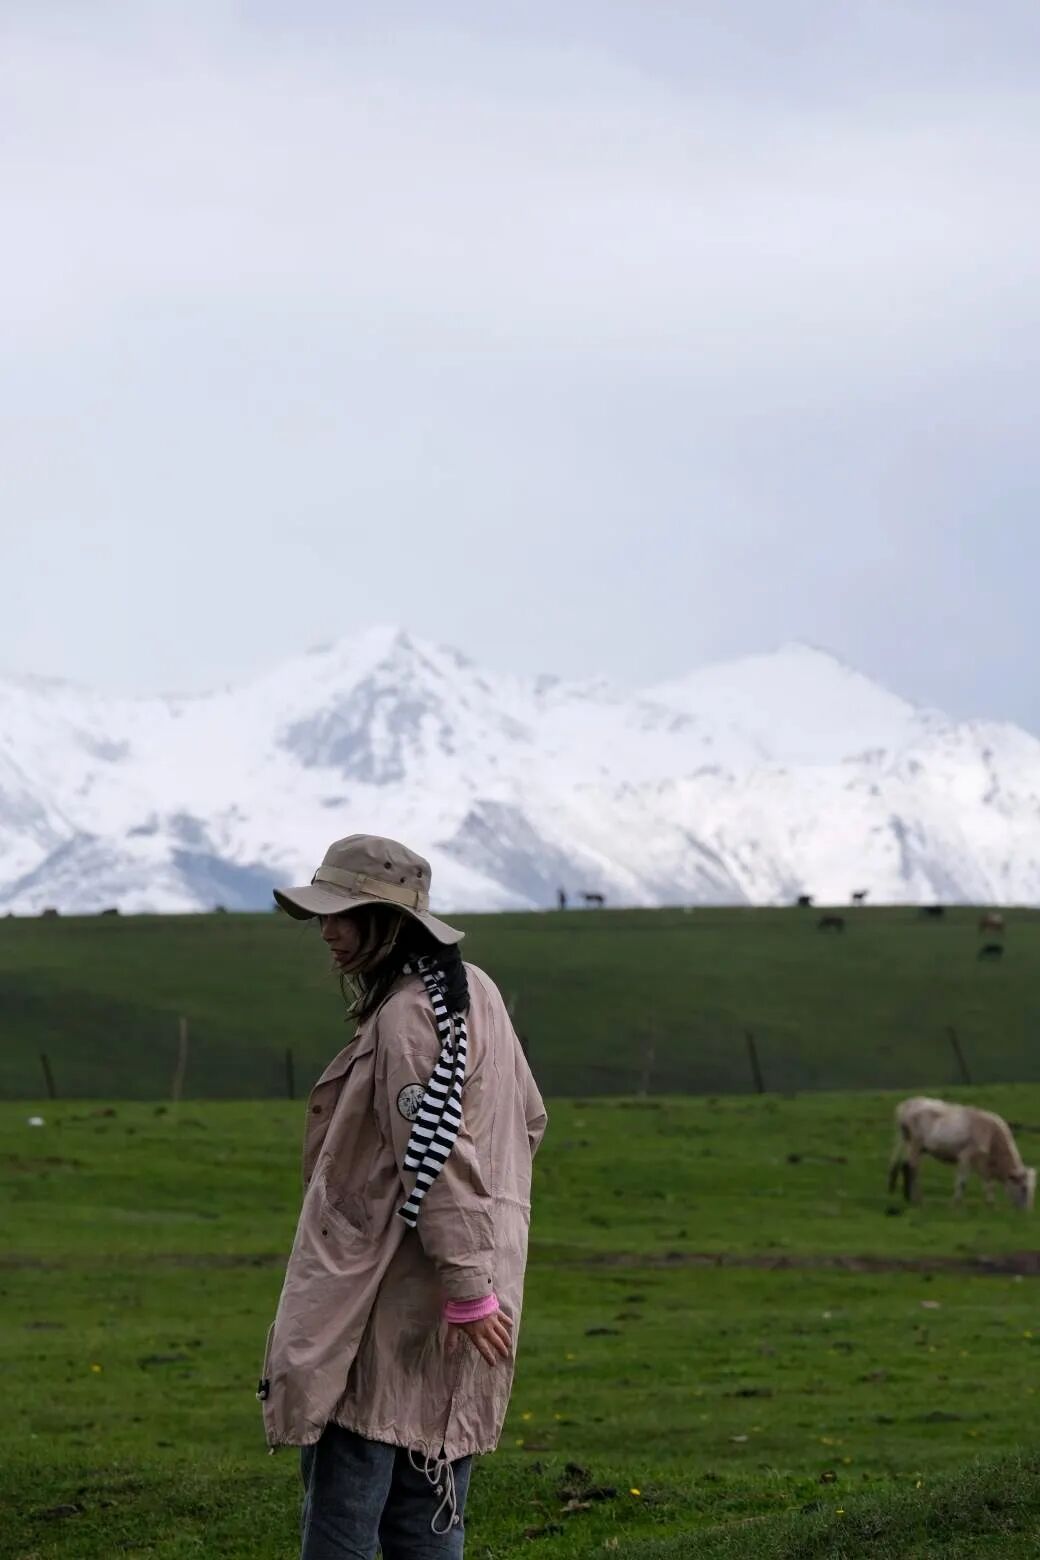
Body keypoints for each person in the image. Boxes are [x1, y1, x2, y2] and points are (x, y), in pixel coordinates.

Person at [259, 833, 547, 1560]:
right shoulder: (473, 991)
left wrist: (466, 1283)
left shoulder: (406, 1015)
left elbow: (437, 1156)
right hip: (465, 1286)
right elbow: (528, 1120)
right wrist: (483, 1266)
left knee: (346, 1515)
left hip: (393, 1293)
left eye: (343, 913)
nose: (326, 929)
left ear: (388, 923)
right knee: (431, 1498)